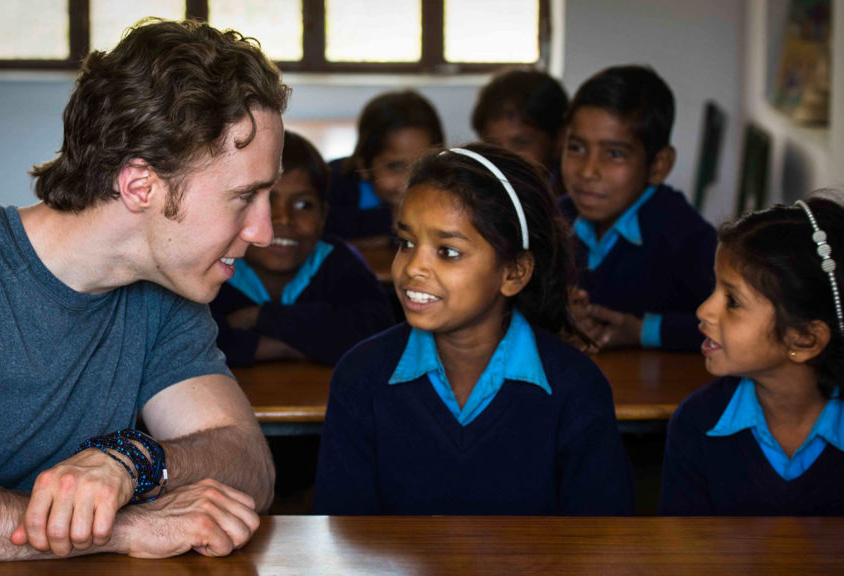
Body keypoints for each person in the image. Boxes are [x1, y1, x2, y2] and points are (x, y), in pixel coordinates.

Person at [0, 19, 289, 575]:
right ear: (140, 184)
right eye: (245, 196)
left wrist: (134, 459)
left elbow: (250, 465)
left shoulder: (167, 292)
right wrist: (121, 530)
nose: (263, 230)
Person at [312, 143, 634, 515]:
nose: (414, 267)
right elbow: (343, 534)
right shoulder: (361, 376)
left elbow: (602, 542)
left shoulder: (575, 388)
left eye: (447, 251)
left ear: (514, 273)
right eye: (406, 242)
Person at [659, 196, 844, 515]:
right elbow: (684, 556)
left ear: (804, 339)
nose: (703, 310)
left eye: (733, 301)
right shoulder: (697, 423)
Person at [559, 65, 716, 353]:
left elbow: (737, 323)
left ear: (658, 166)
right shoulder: (551, 221)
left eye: (614, 154)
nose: (588, 171)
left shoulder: (684, 235)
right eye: (577, 148)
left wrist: (643, 330)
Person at [210, 131, 394, 366]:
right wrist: (295, 346)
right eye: (267, 202)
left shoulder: (337, 260)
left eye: (304, 205)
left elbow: (375, 331)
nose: (284, 219)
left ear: (322, 216)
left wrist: (260, 318)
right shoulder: (215, 269)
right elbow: (196, 344)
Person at [325, 89, 445, 240]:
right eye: (396, 166)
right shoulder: (332, 186)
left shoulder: (448, 190)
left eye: (424, 164)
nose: (410, 180)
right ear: (364, 166)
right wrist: (390, 219)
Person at [471, 69, 568, 190]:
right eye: (492, 146)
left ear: (559, 140)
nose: (505, 159)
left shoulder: (574, 199)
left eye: (521, 143)